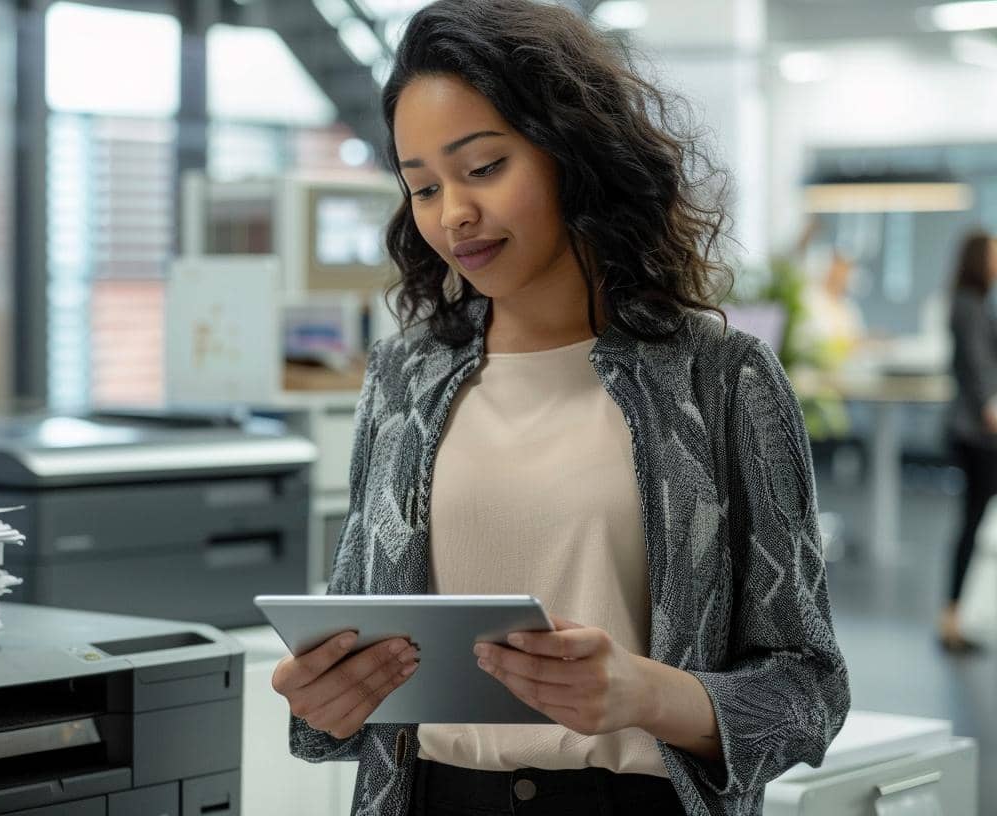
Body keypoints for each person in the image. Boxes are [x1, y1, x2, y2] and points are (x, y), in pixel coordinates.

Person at [268, 2, 850, 815]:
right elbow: (361, 660)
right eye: (424, 186)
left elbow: (808, 692)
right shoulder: (405, 376)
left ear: (572, 152)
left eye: (483, 168)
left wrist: (651, 696)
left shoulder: (720, 377)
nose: (453, 214)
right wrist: (326, 702)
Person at [943, 229, 997, 654]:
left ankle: (955, 615)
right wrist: (989, 409)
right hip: (977, 432)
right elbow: (979, 370)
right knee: (971, 522)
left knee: (973, 521)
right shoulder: (968, 306)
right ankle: (952, 618)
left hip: (975, 429)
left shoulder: (973, 304)